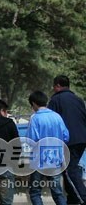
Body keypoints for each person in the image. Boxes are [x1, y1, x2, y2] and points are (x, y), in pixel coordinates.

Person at [48, 75, 86, 204]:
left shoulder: (56, 100)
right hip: (82, 139)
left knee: (70, 171)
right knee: (69, 171)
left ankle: (83, 198)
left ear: (57, 85)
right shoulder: (78, 99)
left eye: (54, 86)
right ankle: (73, 200)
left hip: (68, 140)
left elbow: (51, 122)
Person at [26, 90, 69, 205]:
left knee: (35, 192)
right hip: (55, 159)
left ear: (34, 103)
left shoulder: (35, 118)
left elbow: (31, 140)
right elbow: (66, 137)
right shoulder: (57, 117)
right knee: (57, 192)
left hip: (39, 161)